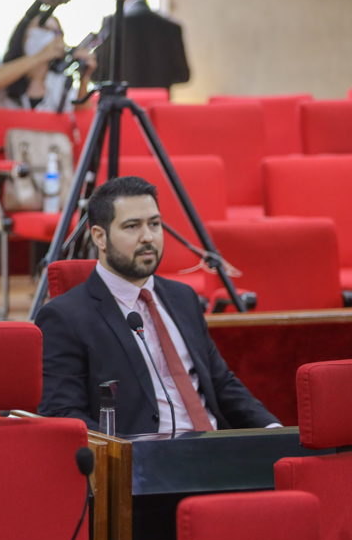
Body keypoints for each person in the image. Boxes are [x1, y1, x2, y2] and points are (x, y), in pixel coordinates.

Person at [35, 176, 280, 435]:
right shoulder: (65, 317)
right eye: (132, 226)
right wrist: (122, 454)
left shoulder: (183, 297)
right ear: (100, 237)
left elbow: (220, 382)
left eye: (154, 224)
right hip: (139, 455)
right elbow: (62, 412)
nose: (148, 237)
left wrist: (271, 428)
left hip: (214, 446)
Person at [0, 10, 97, 219]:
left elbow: (80, 111)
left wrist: (84, 78)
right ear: (24, 35)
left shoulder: (58, 82)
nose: (52, 37)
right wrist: (39, 57)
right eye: (44, 29)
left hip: (40, 176)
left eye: (56, 32)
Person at [94, 0, 190, 91]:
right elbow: (183, 75)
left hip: (121, 97)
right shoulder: (172, 28)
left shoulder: (112, 24)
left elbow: (96, 73)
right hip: (157, 98)